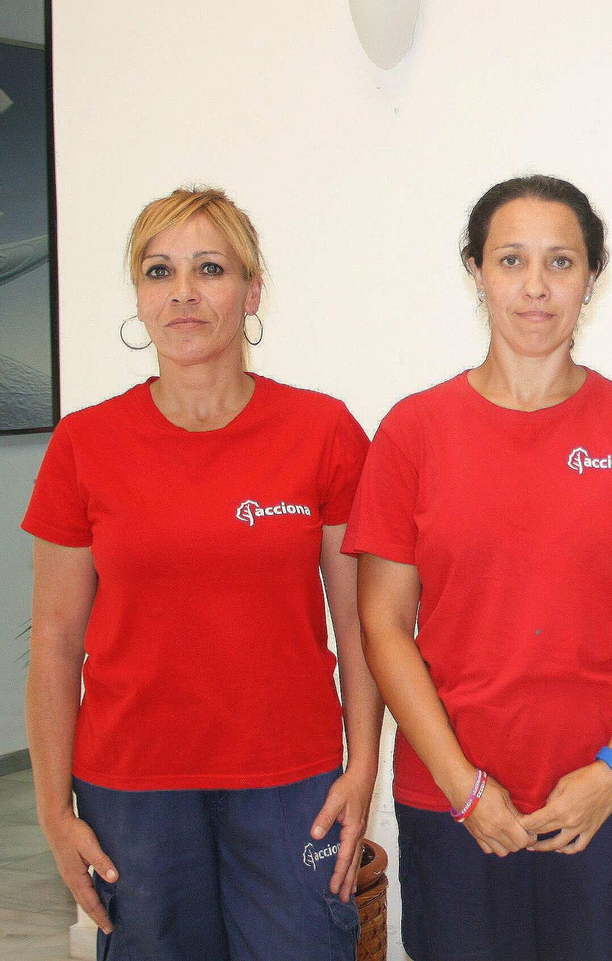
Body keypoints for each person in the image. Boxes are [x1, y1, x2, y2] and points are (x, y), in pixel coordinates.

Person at [347, 175, 612, 961]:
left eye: (561, 262)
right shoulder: (412, 434)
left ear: (592, 277)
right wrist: (463, 787)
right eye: (512, 260)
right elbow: (383, 625)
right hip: (456, 806)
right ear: (476, 272)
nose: (536, 287)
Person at [23, 187, 381, 959]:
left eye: (210, 268)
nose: (183, 291)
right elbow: (52, 642)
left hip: (292, 782)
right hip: (132, 789)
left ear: (252, 292)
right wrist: (53, 810)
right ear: (139, 297)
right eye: (159, 271)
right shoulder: (84, 444)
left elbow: (360, 625)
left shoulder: (322, 431)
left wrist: (363, 769)